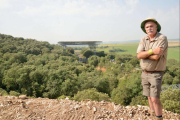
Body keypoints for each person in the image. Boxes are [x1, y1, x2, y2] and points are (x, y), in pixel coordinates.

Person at [137, 18, 168, 120]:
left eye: (151, 26)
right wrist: (152, 51)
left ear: (156, 27)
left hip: (156, 73)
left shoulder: (162, 38)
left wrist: (145, 54)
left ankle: (159, 118)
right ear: (145, 29)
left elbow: (156, 57)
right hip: (144, 72)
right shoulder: (143, 39)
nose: (149, 28)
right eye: (147, 27)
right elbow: (138, 55)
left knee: (155, 98)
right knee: (149, 97)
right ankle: (153, 115)